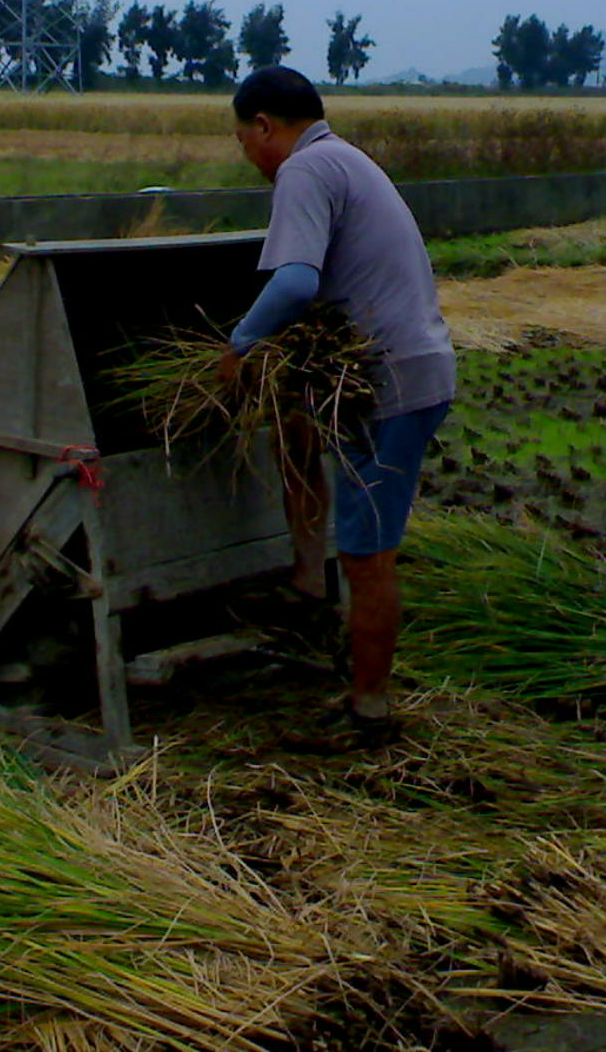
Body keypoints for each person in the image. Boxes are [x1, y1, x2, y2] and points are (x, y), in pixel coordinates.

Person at [221, 65, 454, 736]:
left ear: (264, 126)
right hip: (407, 369)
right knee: (314, 462)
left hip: (393, 384)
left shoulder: (304, 170)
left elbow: (295, 282)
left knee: (367, 553)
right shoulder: (346, 158)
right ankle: (308, 591)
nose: (250, 158)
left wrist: (239, 346)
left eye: (244, 141)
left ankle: (370, 707)